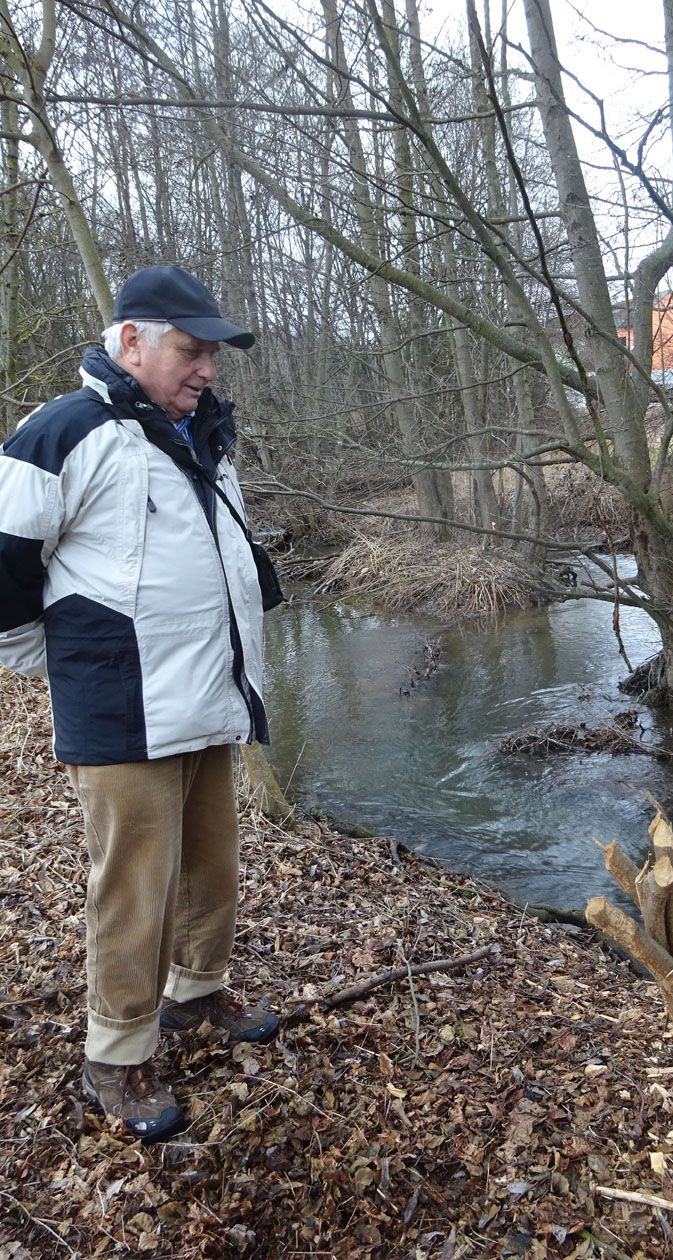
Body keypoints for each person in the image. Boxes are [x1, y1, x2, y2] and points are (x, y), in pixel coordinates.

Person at [0, 265, 279, 1142]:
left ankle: (196, 996)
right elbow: (6, 567)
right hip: (124, 706)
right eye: (191, 350)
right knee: (133, 883)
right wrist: (60, 663)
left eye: (213, 355)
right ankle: (116, 1052)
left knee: (209, 866)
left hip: (203, 689)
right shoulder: (62, 432)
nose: (207, 369)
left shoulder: (199, 433)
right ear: (131, 341)